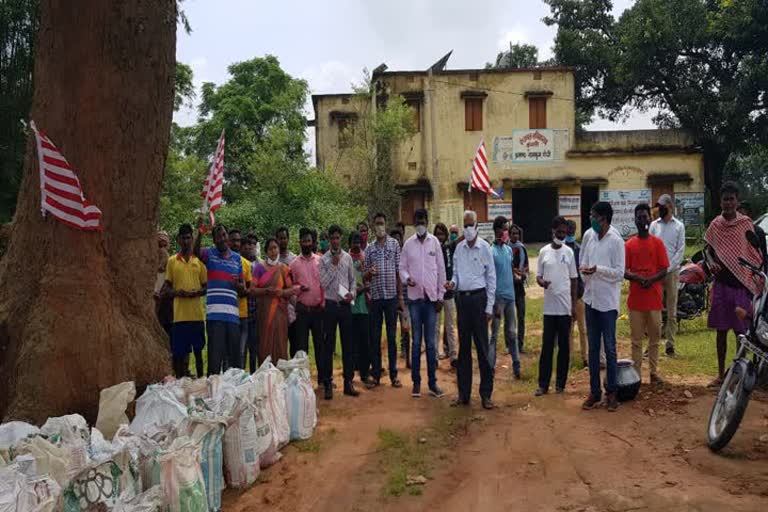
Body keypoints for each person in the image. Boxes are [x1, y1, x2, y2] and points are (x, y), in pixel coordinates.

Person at [704, 182, 762, 386]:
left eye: (731, 199)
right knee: (721, 332)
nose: (728, 203)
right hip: (721, 286)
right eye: (725, 199)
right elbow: (708, 250)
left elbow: (755, 253)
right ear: (720, 201)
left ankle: (737, 374)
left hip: (741, 287)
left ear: (737, 201)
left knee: (741, 334)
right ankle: (720, 374)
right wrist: (711, 263)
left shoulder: (746, 224)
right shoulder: (715, 225)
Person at [446, 210, 497, 410]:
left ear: (476, 226)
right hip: (462, 301)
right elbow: (457, 275)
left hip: (479, 300)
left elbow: (491, 278)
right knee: (464, 351)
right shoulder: (458, 249)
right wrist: (451, 283)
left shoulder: (485, 248)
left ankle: (486, 394)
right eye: (464, 225)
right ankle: (463, 394)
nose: (467, 229)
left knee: (483, 350)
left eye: (470, 225)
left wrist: (489, 306)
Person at [580, 201, 625, 412]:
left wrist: (598, 269)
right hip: (590, 299)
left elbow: (619, 273)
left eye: (594, 216)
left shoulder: (616, 240)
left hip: (607, 303)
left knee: (610, 348)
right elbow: (582, 263)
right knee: (593, 348)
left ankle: (612, 393)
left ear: (604, 218)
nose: (591, 219)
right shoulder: (589, 236)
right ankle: (594, 392)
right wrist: (586, 272)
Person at [400, 209, 446, 398]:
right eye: (417, 221)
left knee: (431, 343)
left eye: (423, 220)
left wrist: (441, 296)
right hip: (415, 301)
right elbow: (401, 267)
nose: (420, 224)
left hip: (431, 301)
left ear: (427, 222)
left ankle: (433, 383)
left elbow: (441, 270)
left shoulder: (434, 243)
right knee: (416, 341)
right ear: (413, 222)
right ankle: (416, 383)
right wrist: (407, 278)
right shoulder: (408, 245)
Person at [624, 203, 669, 385]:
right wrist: (636, 277)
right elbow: (624, 270)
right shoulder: (629, 245)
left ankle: (653, 372)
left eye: (645, 217)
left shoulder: (657, 243)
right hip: (636, 301)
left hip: (654, 299)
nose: (643, 220)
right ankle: (636, 376)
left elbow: (664, 268)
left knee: (654, 339)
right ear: (635, 220)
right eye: (639, 217)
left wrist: (650, 280)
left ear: (650, 220)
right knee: (636, 341)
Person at [194, 224, 245, 375]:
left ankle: (234, 393)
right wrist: (200, 232)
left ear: (227, 236)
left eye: (224, 235)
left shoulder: (237, 259)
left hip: (233, 318)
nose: (222, 239)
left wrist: (238, 285)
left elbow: (242, 287)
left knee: (235, 363)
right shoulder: (209, 254)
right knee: (214, 361)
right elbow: (195, 251)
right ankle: (213, 396)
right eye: (218, 236)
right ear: (214, 240)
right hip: (215, 317)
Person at [535, 216, 578, 396]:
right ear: (552, 231)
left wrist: (574, 305)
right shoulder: (543, 252)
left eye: (564, 232)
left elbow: (574, 279)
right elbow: (538, 276)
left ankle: (560, 384)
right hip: (549, 309)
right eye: (559, 232)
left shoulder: (568, 252)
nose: (561, 235)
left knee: (564, 347)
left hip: (565, 308)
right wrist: (542, 282)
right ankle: (543, 384)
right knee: (547, 347)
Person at [364, 213, 404, 388]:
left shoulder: (394, 245)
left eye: (382, 223)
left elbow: (398, 272)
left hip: (391, 298)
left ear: (386, 225)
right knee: (375, 337)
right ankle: (376, 374)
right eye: (377, 223)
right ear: (374, 226)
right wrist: (369, 274)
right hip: (376, 298)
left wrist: (400, 296)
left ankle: (394, 373)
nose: (380, 226)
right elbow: (364, 276)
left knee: (391, 336)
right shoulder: (369, 249)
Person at [319, 225, 358, 399]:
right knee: (329, 346)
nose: (335, 240)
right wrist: (333, 265)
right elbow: (323, 283)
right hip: (329, 305)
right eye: (332, 238)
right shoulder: (324, 259)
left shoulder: (348, 258)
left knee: (348, 344)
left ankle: (348, 382)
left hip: (344, 305)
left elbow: (353, 281)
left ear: (341, 237)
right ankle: (328, 383)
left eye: (337, 237)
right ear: (328, 239)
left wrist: (352, 295)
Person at [164, 224, 207, 378]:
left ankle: (202, 381)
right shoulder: (172, 261)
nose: (187, 241)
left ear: (192, 238)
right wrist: (178, 293)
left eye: (189, 237)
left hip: (196, 316)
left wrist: (197, 293)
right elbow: (166, 290)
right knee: (179, 355)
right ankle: (180, 384)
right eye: (183, 238)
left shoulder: (198, 261)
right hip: (179, 317)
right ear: (178, 240)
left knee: (198, 353)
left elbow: (206, 287)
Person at [649, 194, 685, 358]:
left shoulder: (679, 226)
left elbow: (680, 251)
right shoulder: (654, 225)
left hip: (671, 272)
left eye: (663, 206)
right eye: (659, 206)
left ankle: (670, 346)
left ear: (670, 206)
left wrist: (668, 268)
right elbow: (649, 247)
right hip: (655, 273)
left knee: (671, 310)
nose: (660, 209)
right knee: (654, 309)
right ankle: (652, 345)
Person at [251, 238, 294, 365]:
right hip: (264, 313)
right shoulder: (259, 268)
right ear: (266, 252)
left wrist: (282, 293)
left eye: (275, 248)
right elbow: (252, 290)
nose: (273, 251)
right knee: (265, 344)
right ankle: (265, 377)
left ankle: (280, 376)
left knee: (281, 342)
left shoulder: (284, 268)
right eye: (270, 249)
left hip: (280, 312)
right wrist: (266, 291)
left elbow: (290, 290)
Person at [290, 228, 325, 378]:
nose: (306, 243)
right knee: (302, 348)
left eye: (309, 241)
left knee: (320, 346)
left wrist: (323, 302)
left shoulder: (320, 261)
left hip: (318, 310)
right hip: (302, 311)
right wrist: (298, 288)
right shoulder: (293, 264)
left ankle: (324, 380)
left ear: (313, 243)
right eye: (303, 241)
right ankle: (303, 381)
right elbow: (289, 286)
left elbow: (324, 283)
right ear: (300, 243)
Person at [490, 216, 521, 379]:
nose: (506, 232)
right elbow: (490, 277)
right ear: (497, 230)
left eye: (507, 229)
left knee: (512, 332)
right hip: (497, 299)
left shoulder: (508, 250)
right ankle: (490, 366)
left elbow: (509, 270)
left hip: (510, 297)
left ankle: (517, 365)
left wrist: (517, 275)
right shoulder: (491, 251)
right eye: (504, 228)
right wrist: (493, 301)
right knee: (494, 334)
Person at [349, 231, 373, 387]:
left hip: (364, 305)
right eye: (354, 241)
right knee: (351, 342)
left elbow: (369, 278)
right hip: (350, 306)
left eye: (359, 241)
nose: (357, 244)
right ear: (350, 243)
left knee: (365, 341)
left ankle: (365, 373)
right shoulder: (346, 259)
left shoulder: (366, 257)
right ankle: (349, 376)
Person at [434, 223, 458, 365]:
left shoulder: (450, 248)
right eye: (437, 234)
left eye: (442, 234)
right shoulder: (431, 250)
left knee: (450, 325)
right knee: (435, 327)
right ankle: (435, 356)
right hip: (436, 295)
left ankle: (453, 354)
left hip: (449, 293)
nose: (440, 237)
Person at [565, 220, 588, 367]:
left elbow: (582, 274)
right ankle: (569, 358)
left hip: (579, 295)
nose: (572, 231)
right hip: (566, 296)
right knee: (568, 330)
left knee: (583, 328)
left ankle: (585, 358)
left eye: (574, 229)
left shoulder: (579, 250)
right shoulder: (562, 249)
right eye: (570, 229)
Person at [229, 229, 252, 370]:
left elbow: (249, 289)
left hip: (242, 314)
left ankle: (241, 382)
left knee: (241, 352)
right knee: (227, 353)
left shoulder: (245, 264)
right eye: (233, 240)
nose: (236, 243)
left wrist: (242, 290)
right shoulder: (222, 261)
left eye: (238, 240)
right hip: (228, 314)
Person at [391, 227, 412, 367]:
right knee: (392, 330)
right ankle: (393, 362)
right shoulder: (388, 257)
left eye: (399, 239)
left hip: (404, 298)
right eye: (394, 239)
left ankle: (408, 359)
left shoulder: (406, 256)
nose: (397, 241)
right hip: (391, 298)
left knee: (406, 329)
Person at [508, 224, 529, 354]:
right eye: (513, 233)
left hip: (520, 286)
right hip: (509, 286)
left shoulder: (522, 248)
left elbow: (526, 266)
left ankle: (520, 344)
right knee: (510, 318)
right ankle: (509, 344)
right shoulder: (506, 248)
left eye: (517, 233)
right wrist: (513, 271)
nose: (515, 235)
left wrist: (522, 272)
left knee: (521, 316)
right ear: (509, 234)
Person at [242, 233, 260, 373]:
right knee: (241, 349)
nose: (249, 247)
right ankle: (241, 376)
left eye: (252, 244)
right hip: (242, 313)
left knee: (254, 349)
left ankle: (254, 375)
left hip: (256, 313)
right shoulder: (238, 262)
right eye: (246, 244)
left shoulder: (260, 265)